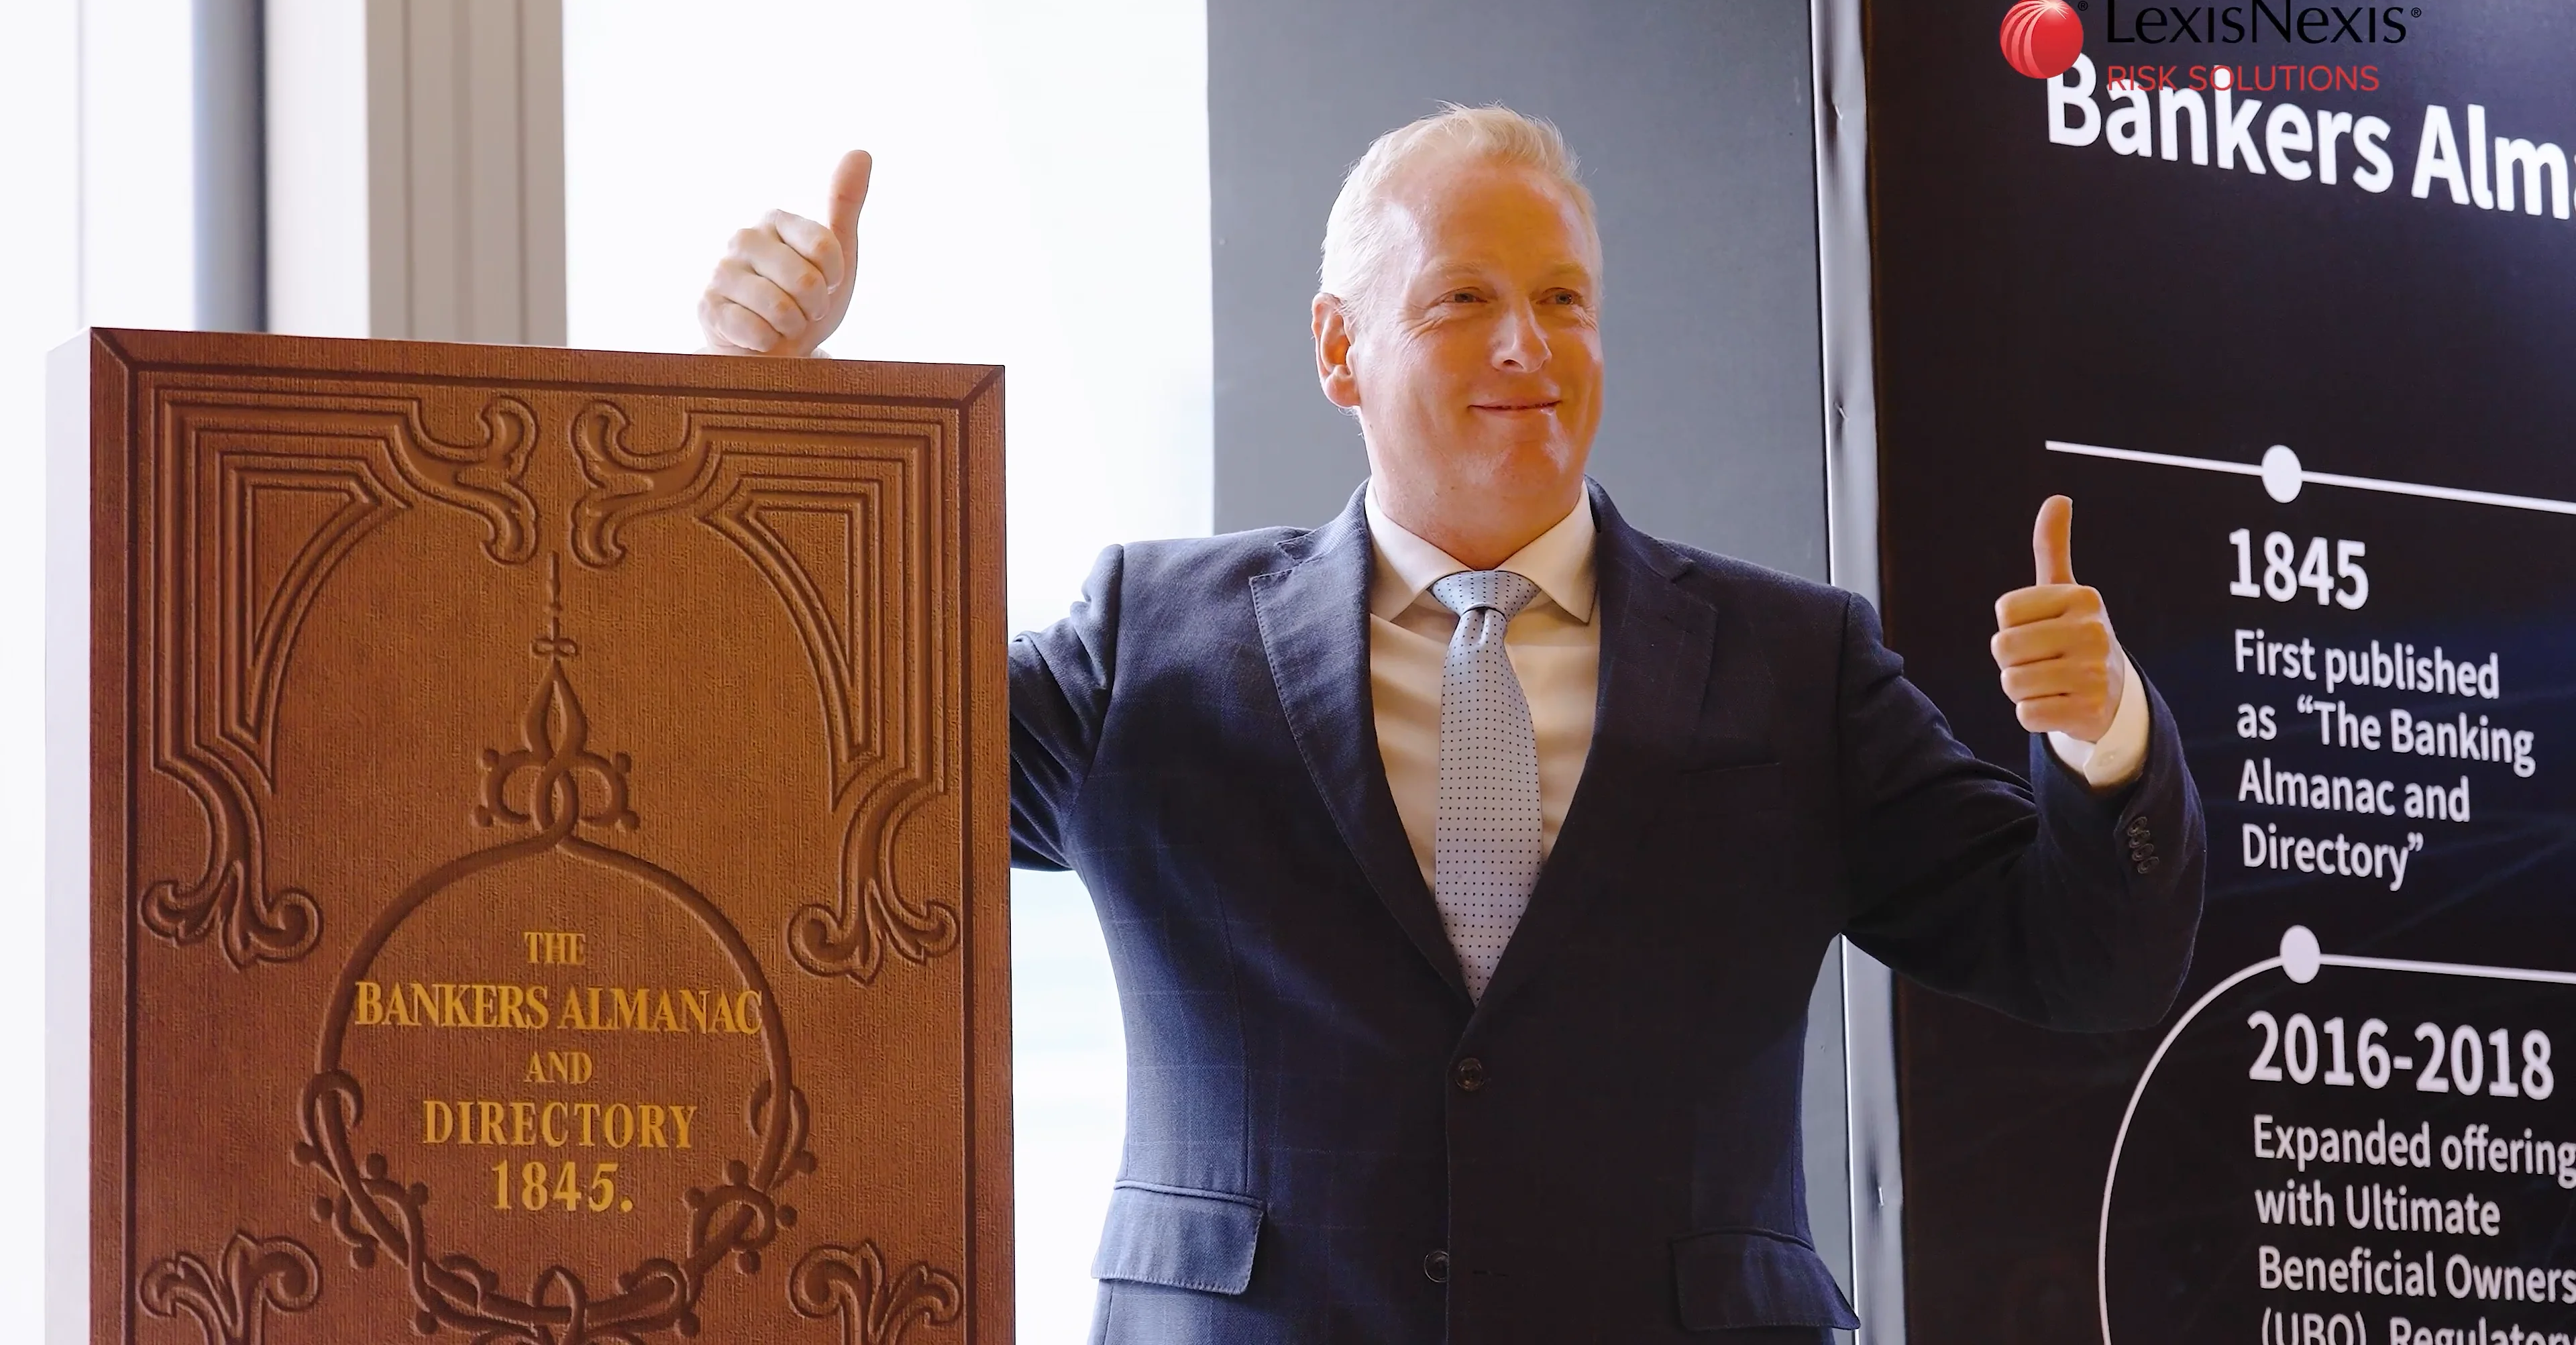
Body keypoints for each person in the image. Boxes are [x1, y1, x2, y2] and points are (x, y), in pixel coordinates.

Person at [698, 106, 2204, 1344]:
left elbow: (2085, 958)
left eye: (1563, 300)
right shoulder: (1148, 642)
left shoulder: (1791, 664)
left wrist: (2104, 737)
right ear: (1338, 348)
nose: (1526, 345)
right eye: (1463, 299)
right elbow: (814, 751)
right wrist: (754, 412)